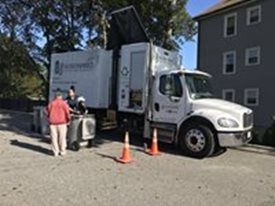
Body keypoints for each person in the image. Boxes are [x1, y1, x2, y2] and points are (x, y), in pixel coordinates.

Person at [46, 89, 71, 156]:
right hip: (62, 123)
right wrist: (68, 120)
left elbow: (46, 112)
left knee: (54, 138)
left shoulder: (51, 103)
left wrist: (49, 118)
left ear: (55, 96)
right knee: (62, 138)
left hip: (52, 123)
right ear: (61, 96)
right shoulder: (64, 103)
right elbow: (67, 113)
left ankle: (55, 152)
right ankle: (62, 151)